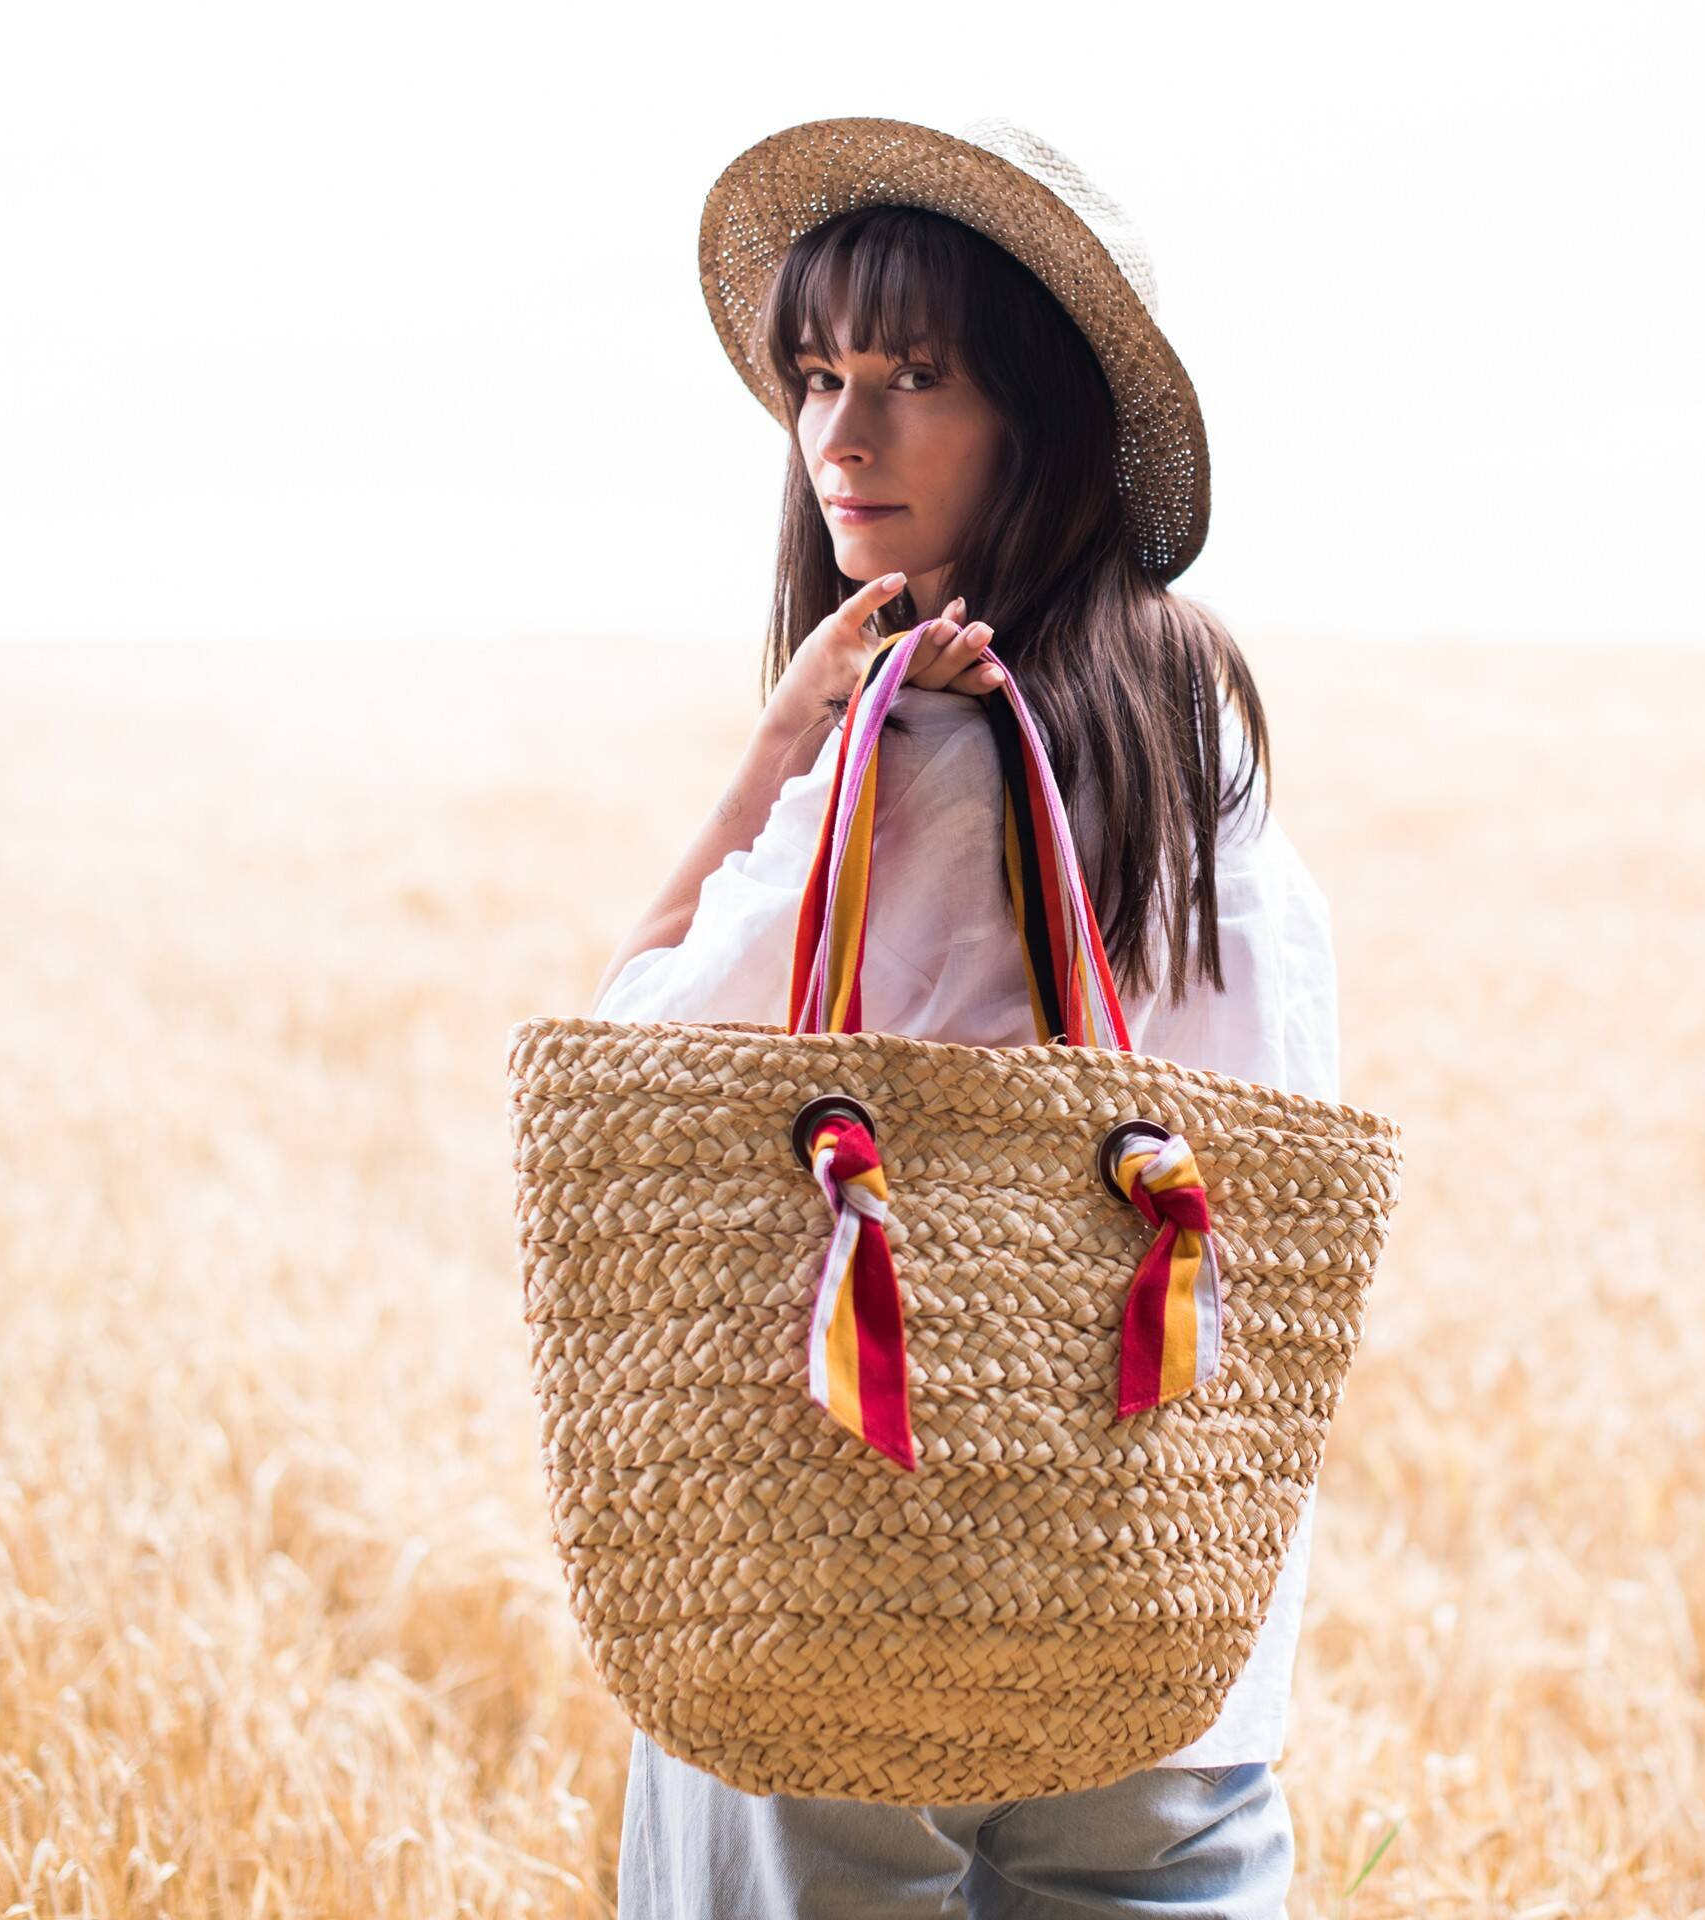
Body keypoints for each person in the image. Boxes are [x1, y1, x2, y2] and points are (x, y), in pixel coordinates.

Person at [591, 115, 1338, 1920]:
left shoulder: (918, 745)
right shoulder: (1200, 736)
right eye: (818, 377)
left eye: (915, 377)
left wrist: (787, 742)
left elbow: (630, 1063)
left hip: (850, 1591)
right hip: (1163, 1622)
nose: (840, 439)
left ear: (1039, 413)